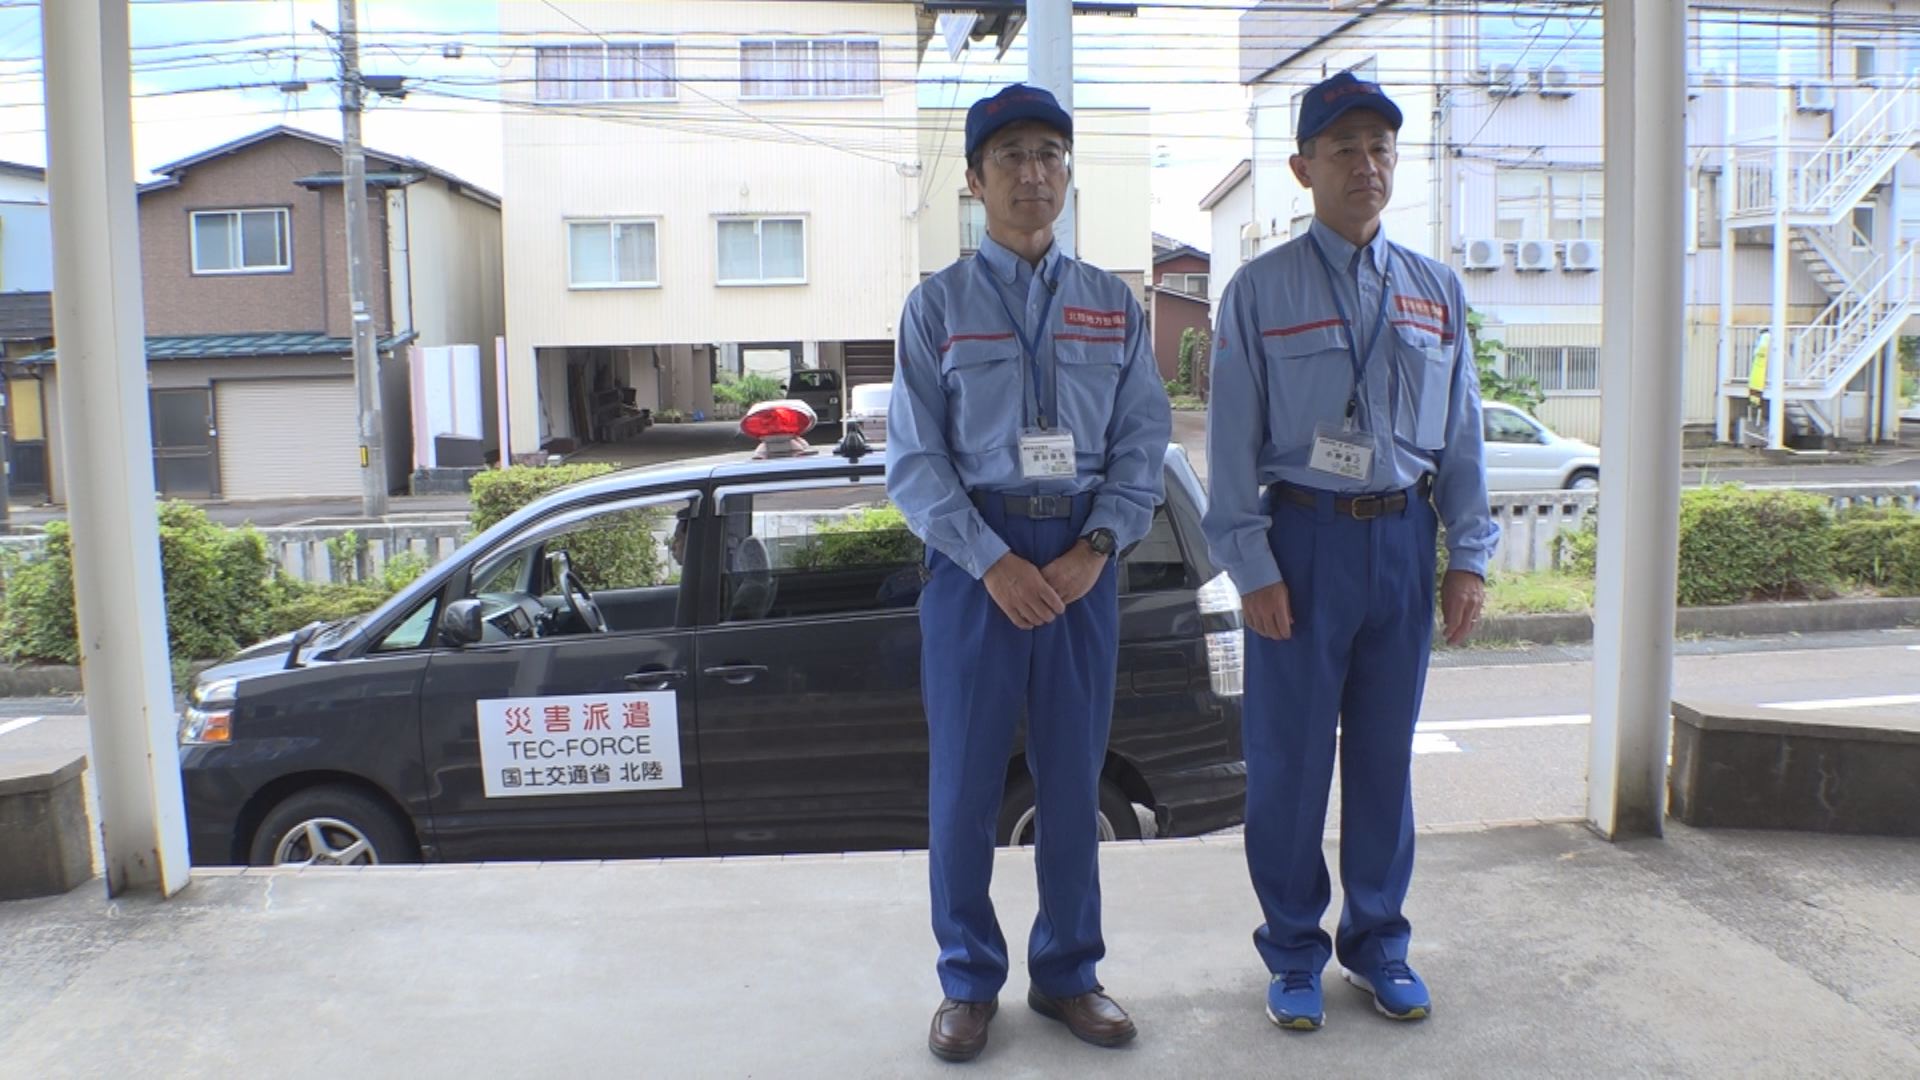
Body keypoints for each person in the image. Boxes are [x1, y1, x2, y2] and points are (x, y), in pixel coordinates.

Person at [1202, 72, 1500, 1033]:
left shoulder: (1434, 289)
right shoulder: (1259, 291)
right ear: (1303, 168)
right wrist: (1252, 566)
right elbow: (1230, 448)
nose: (1366, 165)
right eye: (1344, 150)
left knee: (1383, 760)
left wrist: (1469, 555)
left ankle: (1379, 944)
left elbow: (1462, 437)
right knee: (1287, 764)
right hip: (1304, 541)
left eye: (1380, 147)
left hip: (1404, 542)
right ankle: (1292, 952)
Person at [887, 82, 1171, 1063]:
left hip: (1084, 563)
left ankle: (1069, 973)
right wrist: (992, 560)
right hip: (975, 565)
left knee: (1072, 775)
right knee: (965, 784)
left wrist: (1099, 547)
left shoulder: (1111, 306)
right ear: (974, 180)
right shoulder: (937, 309)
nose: (1033, 172)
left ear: (1067, 172)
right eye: (1010, 156)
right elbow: (915, 464)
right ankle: (969, 981)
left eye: (1050, 152)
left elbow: (1142, 440)